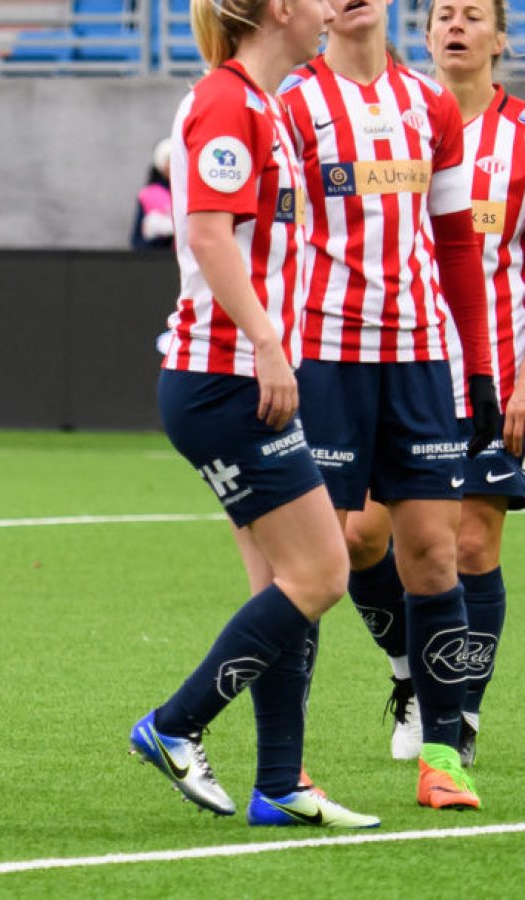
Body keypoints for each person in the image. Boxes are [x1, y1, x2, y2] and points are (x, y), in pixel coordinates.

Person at [128, 0, 378, 829]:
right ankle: (174, 724)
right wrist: (270, 345)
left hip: (239, 377)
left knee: (284, 586)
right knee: (324, 574)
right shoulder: (227, 99)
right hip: (227, 379)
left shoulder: (263, 101)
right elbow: (207, 236)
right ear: (276, 10)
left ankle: (280, 784)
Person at [277, 0, 502, 810]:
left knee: (435, 555)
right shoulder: (295, 103)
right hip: (326, 361)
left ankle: (444, 756)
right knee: (323, 558)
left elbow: (455, 246)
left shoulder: (429, 104)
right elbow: (267, 242)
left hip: (419, 360)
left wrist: (477, 370)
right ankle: (286, 769)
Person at [335, 0, 521, 771]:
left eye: (472, 16)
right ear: (424, 33)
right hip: (403, 359)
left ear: (499, 40)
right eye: (443, 14)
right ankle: (412, 673)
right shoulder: (404, 114)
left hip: (496, 369)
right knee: (359, 535)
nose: (455, 27)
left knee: (469, 543)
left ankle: (460, 713)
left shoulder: (519, 139)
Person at [131, 138, 176, 250]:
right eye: (169, 160)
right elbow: (136, 242)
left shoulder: (189, 193)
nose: (173, 165)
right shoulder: (148, 195)